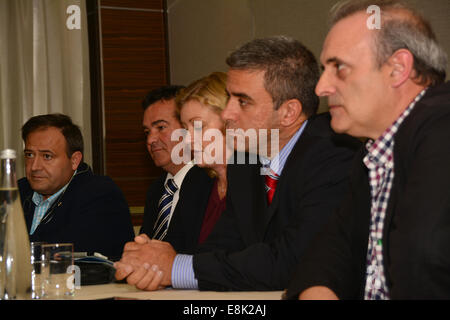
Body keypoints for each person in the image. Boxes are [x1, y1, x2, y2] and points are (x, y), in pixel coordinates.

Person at [114, 36, 361, 291]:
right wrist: (156, 264)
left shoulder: (336, 156)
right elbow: (219, 250)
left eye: (242, 101)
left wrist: (175, 267)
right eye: (229, 98)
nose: (227, 114)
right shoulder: (245, 164)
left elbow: (296, 262)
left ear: (288, 112)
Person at [285, 0, 450, 300]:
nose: (321, 87)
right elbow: (332, 248)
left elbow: (426, 262)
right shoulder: (373, 151)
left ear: (397, 68)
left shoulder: (442, 128)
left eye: (339, 68)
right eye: (324, 69)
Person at [19, 113, 134, 260]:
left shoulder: (100, 194)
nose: (34, 166)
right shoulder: (17, 191)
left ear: (74, 160)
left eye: (47, 156)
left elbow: (66, 255)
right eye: (29, 155)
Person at [139, 86, 214, 253]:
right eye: (146, 132)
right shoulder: (156, 191)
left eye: (161, 127)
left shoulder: (213, 183)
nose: (150, 140)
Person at [176, 72, 231, 244]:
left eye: (198, 126)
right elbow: (175, 247)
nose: (187, 139)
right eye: (185, 128)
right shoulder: (195, 180)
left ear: (230, 123)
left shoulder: (263, 182)